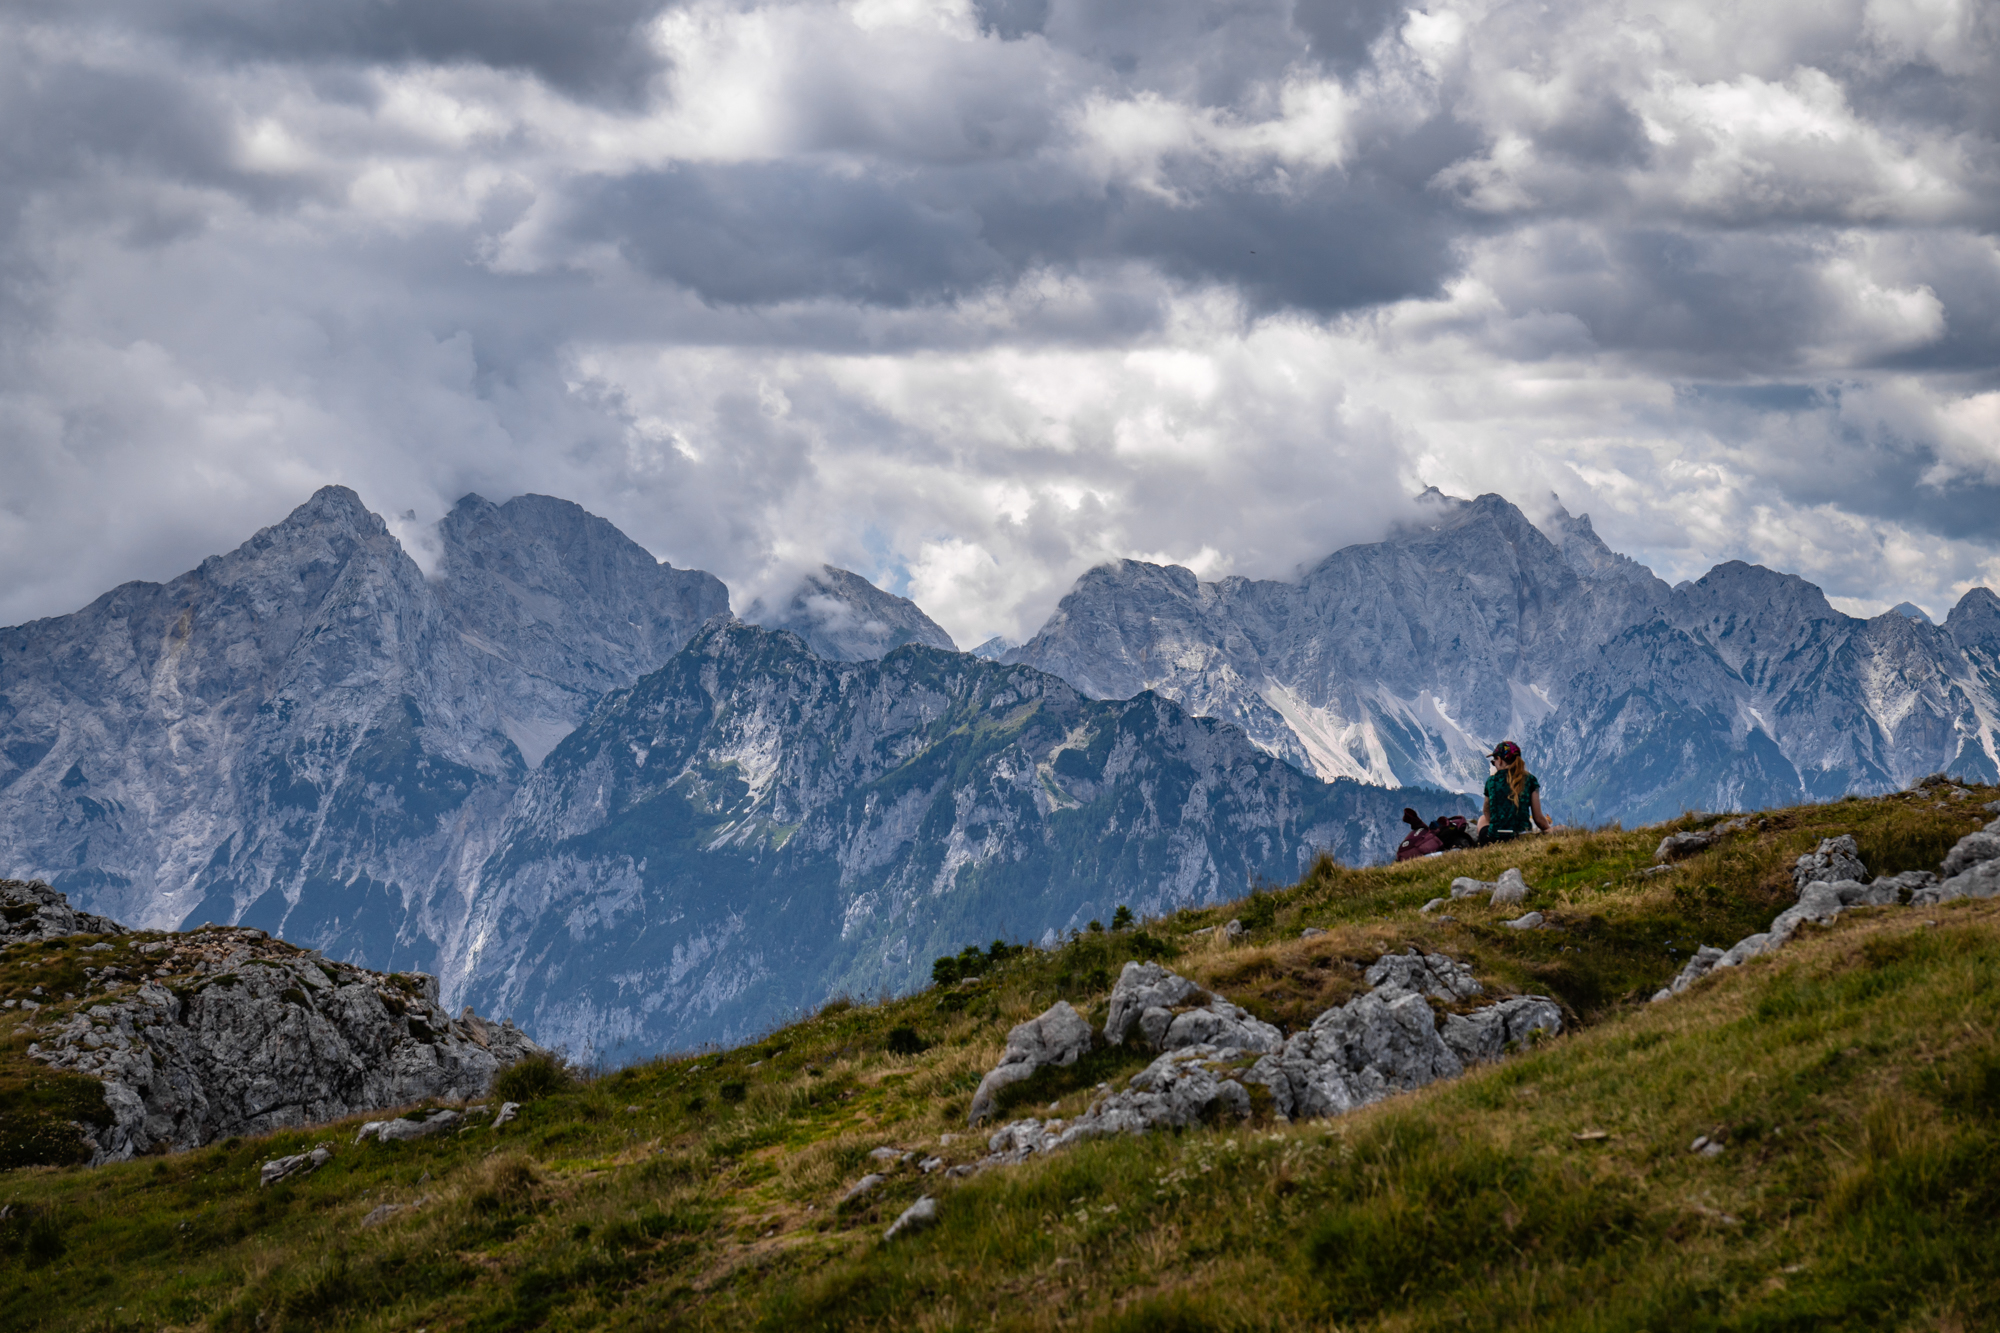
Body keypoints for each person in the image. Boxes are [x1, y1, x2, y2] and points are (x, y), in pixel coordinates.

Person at [1476, 740, 1552, 845]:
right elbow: (1538, 818)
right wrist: (1548, 829)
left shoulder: (1491, 781)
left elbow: (1486, 811)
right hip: (1522, 837)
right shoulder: (1530, 780)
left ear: (1500, 760)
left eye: (1493, 762)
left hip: (1494, 839)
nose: (1494, 765)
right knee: (1562, 828)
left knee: (1482, 819)